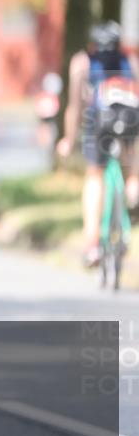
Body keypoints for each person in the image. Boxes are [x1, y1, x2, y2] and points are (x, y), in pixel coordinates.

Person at [57, 21, 139, 268]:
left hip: (99, 122)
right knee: (130, 164)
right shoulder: (130, 59)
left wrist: (68, 139)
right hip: (129, 119)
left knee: (95, 176)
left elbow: (75, 106)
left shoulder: (82, 61)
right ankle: (133, 189)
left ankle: (92, 243)